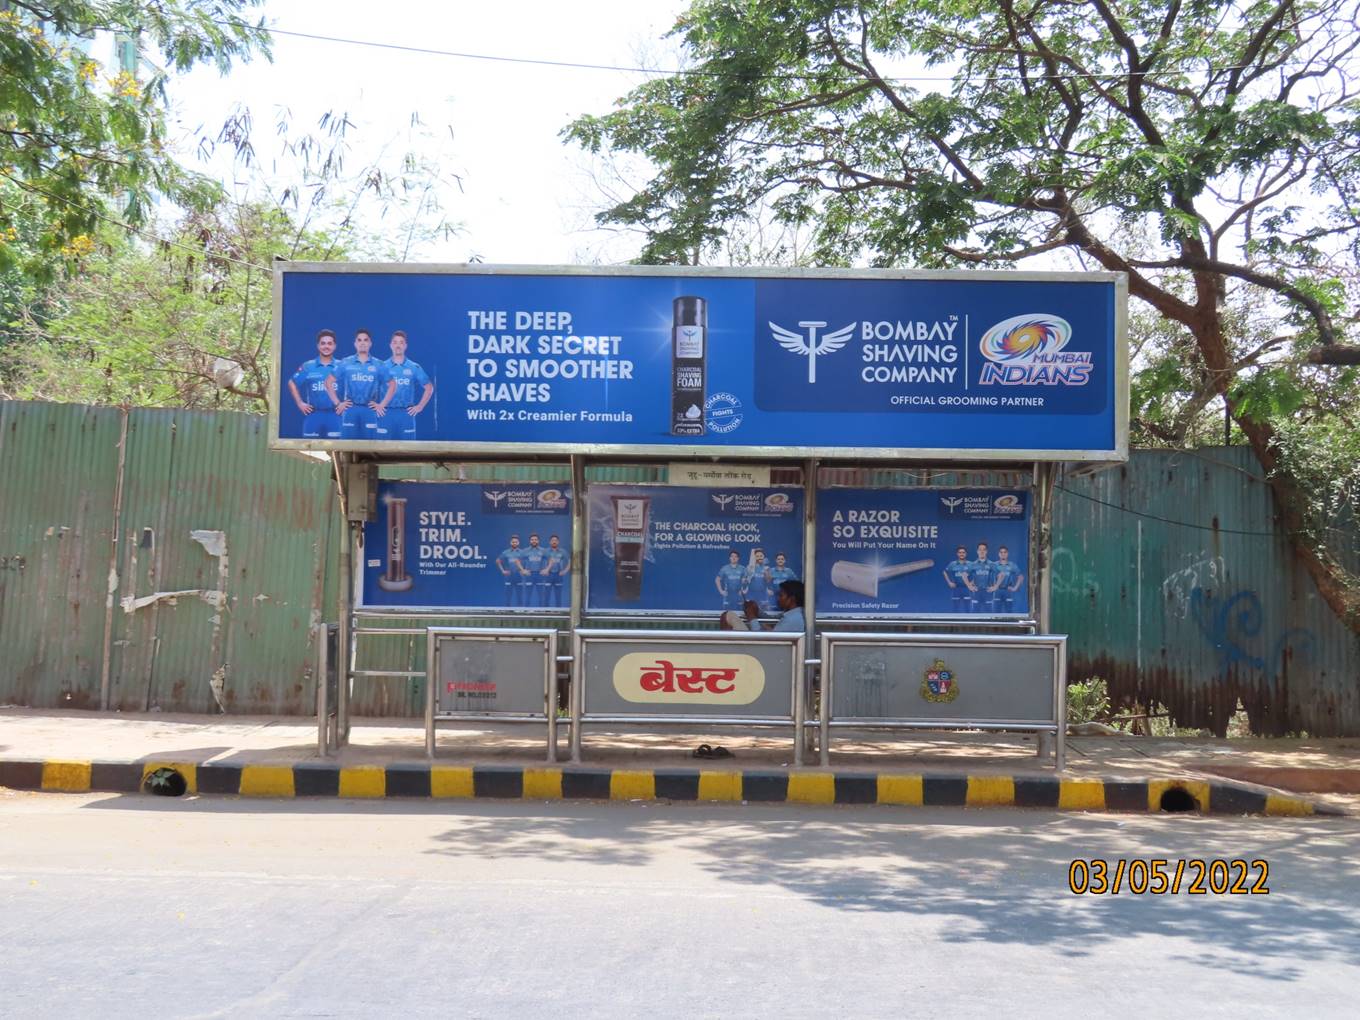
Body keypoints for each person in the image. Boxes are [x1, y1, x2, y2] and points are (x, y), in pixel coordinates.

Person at [329, 328, 395, 440]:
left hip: (369, 411)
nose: (362, 343)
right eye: (359, 340)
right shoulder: (346, 362)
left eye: (365, 340)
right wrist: (338, 403)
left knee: (370, 447)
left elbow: (393, 384)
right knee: (347, 446)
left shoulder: (379, 364)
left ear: (370, 343)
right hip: (350, 410)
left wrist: (382, 405)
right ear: (355, 344)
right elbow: (328, 382)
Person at [378, 330, 433, 440]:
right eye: (395, 342)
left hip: (406, 415)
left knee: (407, 450)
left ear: (405, 346)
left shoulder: (413, 367)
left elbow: (429, 387)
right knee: (382, 450)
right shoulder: (382, 366)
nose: (398, 345)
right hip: (385, 414)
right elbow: (372, 387)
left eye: (401, 342)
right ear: (390, 345)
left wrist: (420, 406)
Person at [287, 329, 343, 438]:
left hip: (336, 415)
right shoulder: (308, 366)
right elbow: (292, 383)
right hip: (314, 415)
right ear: (318, 346)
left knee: (338, 449)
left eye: (329, 343)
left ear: (335, 346)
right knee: (310, 448)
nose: (326, 346)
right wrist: (300, 403)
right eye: (323, 343)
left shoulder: (342, 366)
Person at [989, 544, 1025, 613]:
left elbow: (1021, 577)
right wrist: (992, 586)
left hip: (1008, 591)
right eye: (1001, 552)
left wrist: (1015, 588)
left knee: (1009, 613)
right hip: (997, 591)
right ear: (998, 554)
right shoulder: (994, 565)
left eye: (1005, 552)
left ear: (1007, 554)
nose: (1003, 554)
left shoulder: (1012, 565)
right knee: (996, 613)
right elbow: (987, 575)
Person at [942, 545, 976, 613]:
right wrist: (949, 582)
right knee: (955, 609)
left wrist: (972, 582)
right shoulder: (953, 564)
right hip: (956, 589)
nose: (961, 554)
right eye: (960, 552)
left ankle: (969, 622)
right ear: (957, 554)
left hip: (966, 589)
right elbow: (944, 572)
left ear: (966, 554)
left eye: (963, 552)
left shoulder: (970, 564)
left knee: (968, 609)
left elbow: (976, 573)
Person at [496, 534, 526, 607]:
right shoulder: (506, 552)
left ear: (518, 543)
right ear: (510, 543)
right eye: (513, 542)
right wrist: (503, 571)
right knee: (508, 595)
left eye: (516, 542)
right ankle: (507, 611)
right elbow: (498, 561)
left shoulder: (522, 552)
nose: (514, 543)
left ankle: (520, 611)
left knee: (520, 595)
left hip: (519, 576)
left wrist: (523, 570)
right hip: (509, 576)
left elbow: (527, 562)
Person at [969, 541, 997, 613]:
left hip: (988, 592)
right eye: (980, 549)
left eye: (984, 549)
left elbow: (1001, 575)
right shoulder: (973, 564)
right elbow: (964, 575)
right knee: (975, 613)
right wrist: (970, 586)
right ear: (977, 551)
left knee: (989, 613)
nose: (982, 551)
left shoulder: (991, 564)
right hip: (976, 592)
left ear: (986, 551)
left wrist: (995, 587)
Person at [520, 532, 547, 607]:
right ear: (530, 541)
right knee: (527, 595)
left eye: (535, 539)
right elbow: (518, 561)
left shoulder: (543, 551)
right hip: (529, 575)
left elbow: (551, 560)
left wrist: (546, 569)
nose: (534, 541)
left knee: (541, 595)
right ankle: (526, 611)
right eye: (532, 540)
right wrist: (522, 570)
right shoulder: (525, 551)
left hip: (540, 575)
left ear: (538, 541)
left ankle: (542, 612)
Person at [543, 534, 569, 608]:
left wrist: (565, 570)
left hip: (558, 575)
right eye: (552, 540)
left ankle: (558, 611)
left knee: (558, 595)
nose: (554, 542)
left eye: (556, 540)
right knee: (546, 595)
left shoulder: (562, 551)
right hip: (548, 575)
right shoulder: (546, 551)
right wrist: (545, 570)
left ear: (558, 542)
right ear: (550, 542)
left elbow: (570, 561)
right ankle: (546, 611)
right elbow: (541, 561)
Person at [744, 547, 771, 612]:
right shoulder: (749, 567)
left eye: (761, 556)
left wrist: (766, 571)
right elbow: (744, 581)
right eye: (757, 556)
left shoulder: (767, 568)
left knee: (765, 613)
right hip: (751, 594)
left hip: (763, 595)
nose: (759, 557)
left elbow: (768, 581)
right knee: (750, 612)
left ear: (764, 557)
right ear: (754, 558)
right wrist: (748, 577)